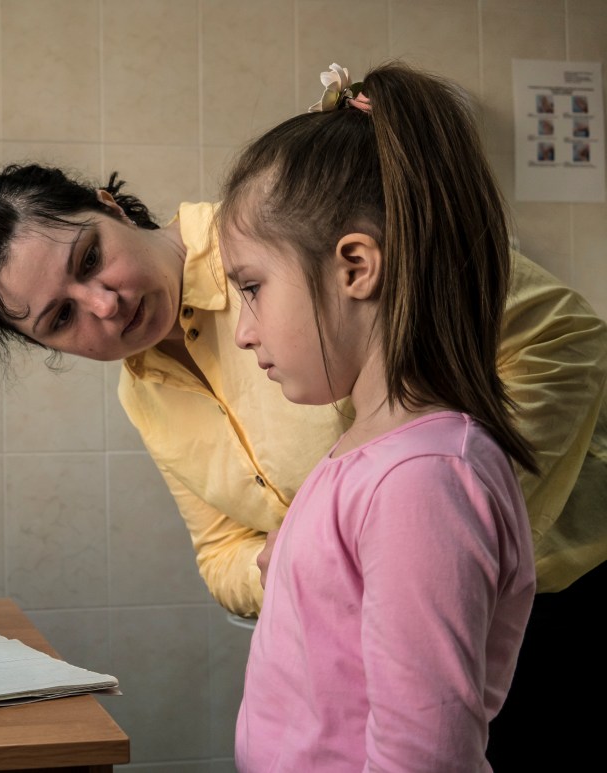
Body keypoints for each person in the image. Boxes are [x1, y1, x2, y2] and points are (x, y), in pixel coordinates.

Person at [0, 104, 606, 770]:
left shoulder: (283, 218)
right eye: (61, 318)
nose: (105, 306)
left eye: (90, 259)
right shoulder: (144, 392)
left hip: (545, 592)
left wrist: (433, 525)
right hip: (373, 632)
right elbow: (222, 550)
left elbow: (564, 340)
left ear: (110, 206)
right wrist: (307, 558)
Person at [222, 61, 534, 767]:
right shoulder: (374, 455)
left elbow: (424, 754)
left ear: (356, 266)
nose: (244, 330)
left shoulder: (424, 479)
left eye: (252, 287)